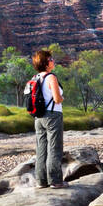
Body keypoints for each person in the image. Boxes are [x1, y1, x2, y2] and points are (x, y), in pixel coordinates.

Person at [31, 49, 65, 188]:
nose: (53, 61)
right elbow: (57, 99)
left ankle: (41, 181)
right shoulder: (51, 77)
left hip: (39, 118)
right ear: (45, 63)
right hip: (53, 116)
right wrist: (63, 98)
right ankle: (55, 181)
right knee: (54, 148)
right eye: (51, 59)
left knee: (41, 149)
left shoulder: (35, 78)